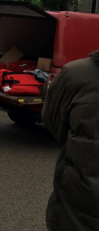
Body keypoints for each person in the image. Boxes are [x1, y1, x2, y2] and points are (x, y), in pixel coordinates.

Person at [41, 50, 99, 231]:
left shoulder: (74, 74)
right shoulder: (75, 75)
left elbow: (53, 120)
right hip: (81, 202)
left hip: (79, 198)